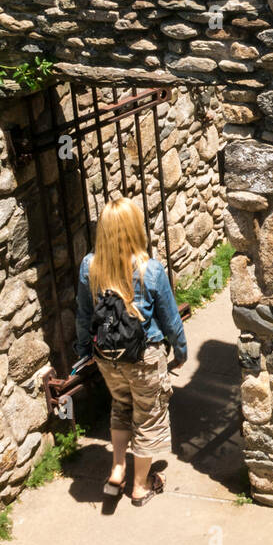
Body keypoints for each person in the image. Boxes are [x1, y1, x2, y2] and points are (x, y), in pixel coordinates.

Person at [74, 197, 187, 506]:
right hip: (144, 357)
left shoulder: (90, 266)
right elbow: (170, 320)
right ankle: (139, 487)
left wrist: (84, 350)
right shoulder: (150, 269)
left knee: (122, 406)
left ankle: (117, 468)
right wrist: (180, 351)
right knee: (148, 417)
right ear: (135, 228)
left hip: (107, 357)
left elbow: (84, 315)